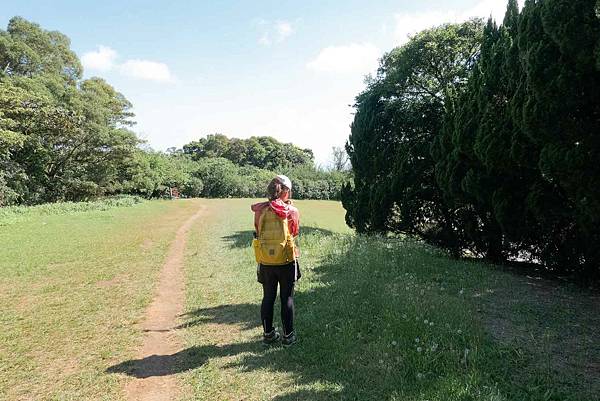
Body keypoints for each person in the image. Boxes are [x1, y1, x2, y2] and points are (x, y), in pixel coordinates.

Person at [251, 175, 300, 347]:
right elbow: (294, 232)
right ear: (286, 191)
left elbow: (257, 230)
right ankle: (288, 337)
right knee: (286, 298)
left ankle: (268, 334)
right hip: (286, 259)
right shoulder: (291, 211)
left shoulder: (259, 210)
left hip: (265, 261)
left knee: (268, 297)